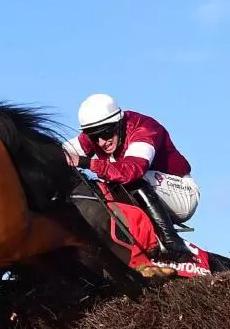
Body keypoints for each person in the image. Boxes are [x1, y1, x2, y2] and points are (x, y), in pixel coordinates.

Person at [64, 93, 198, 263]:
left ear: (119, 123)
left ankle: (172, 242)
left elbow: (131, 172)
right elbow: (60, 152)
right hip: (147, 189)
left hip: (182, 193)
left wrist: (85, 162)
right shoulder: (100, 132)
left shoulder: (144, 128)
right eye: (93, 136)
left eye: (106, 133)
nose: (101, 142)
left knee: (128, 179)